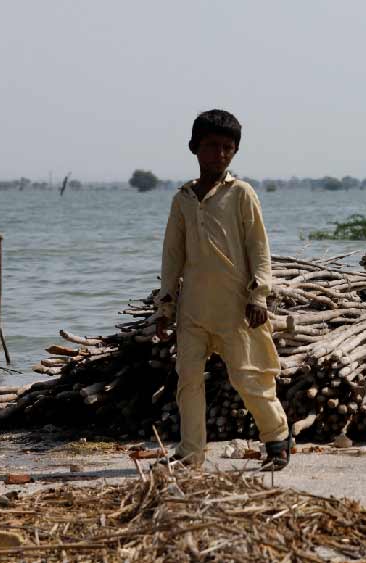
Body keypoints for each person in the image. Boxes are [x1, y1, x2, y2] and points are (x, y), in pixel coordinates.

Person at [156, 109, 291, 471]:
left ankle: (277, 440)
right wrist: (165, 306)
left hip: (236, 307)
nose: (219, 154)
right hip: (194, 309)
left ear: (234, 152)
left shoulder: (241, 194)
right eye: (212, 146)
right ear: (194, 147)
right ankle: (191, 454)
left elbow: (259, 249)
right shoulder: (183, 199)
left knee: (249, 376)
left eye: (227, 148)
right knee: (188, 382)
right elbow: (172, 256)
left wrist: (259, 294)